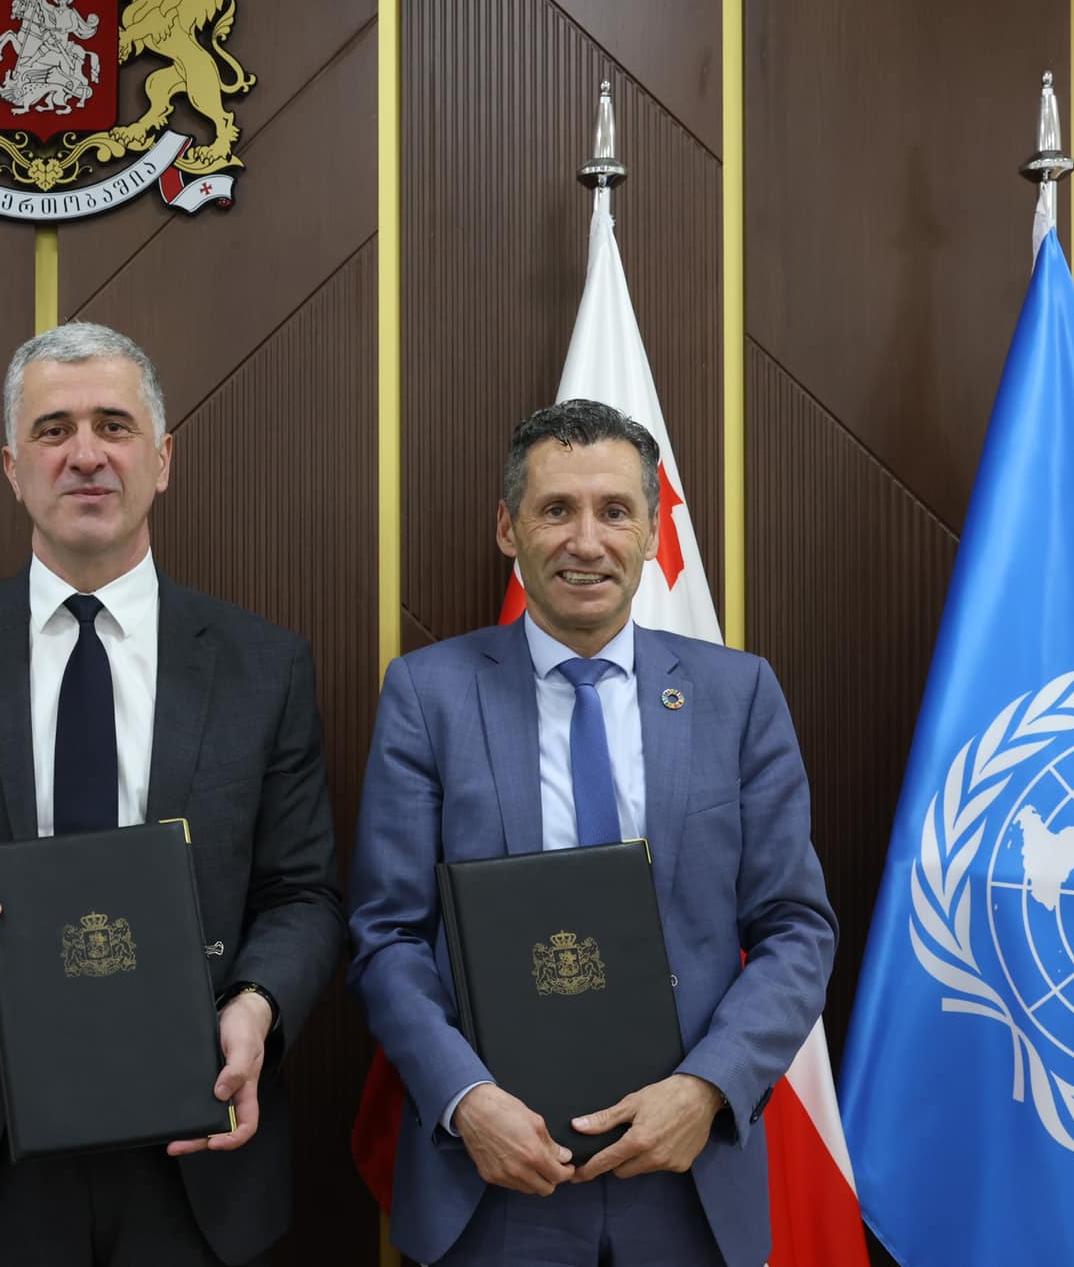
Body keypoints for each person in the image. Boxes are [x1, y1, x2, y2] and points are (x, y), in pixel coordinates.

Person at [0, 322, 346, 1267]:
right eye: (54, 430)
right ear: (13, 468)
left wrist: (257, 1006)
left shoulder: (264, 665)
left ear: (162, 459)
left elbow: (303, 894)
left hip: (197, 1138)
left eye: (114, 425)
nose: (87, 454)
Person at [348, 399, 836, 1267]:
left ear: (652, 532)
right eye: (555, 509)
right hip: (494, 1178)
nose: (586, 540)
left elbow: (797, 929)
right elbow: (387, 934)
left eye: (614, 511)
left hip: (688, 1175)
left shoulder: (738, 696)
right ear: (508, 528)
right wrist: (465, 1099)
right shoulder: (428, 696)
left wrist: (708, 1087)